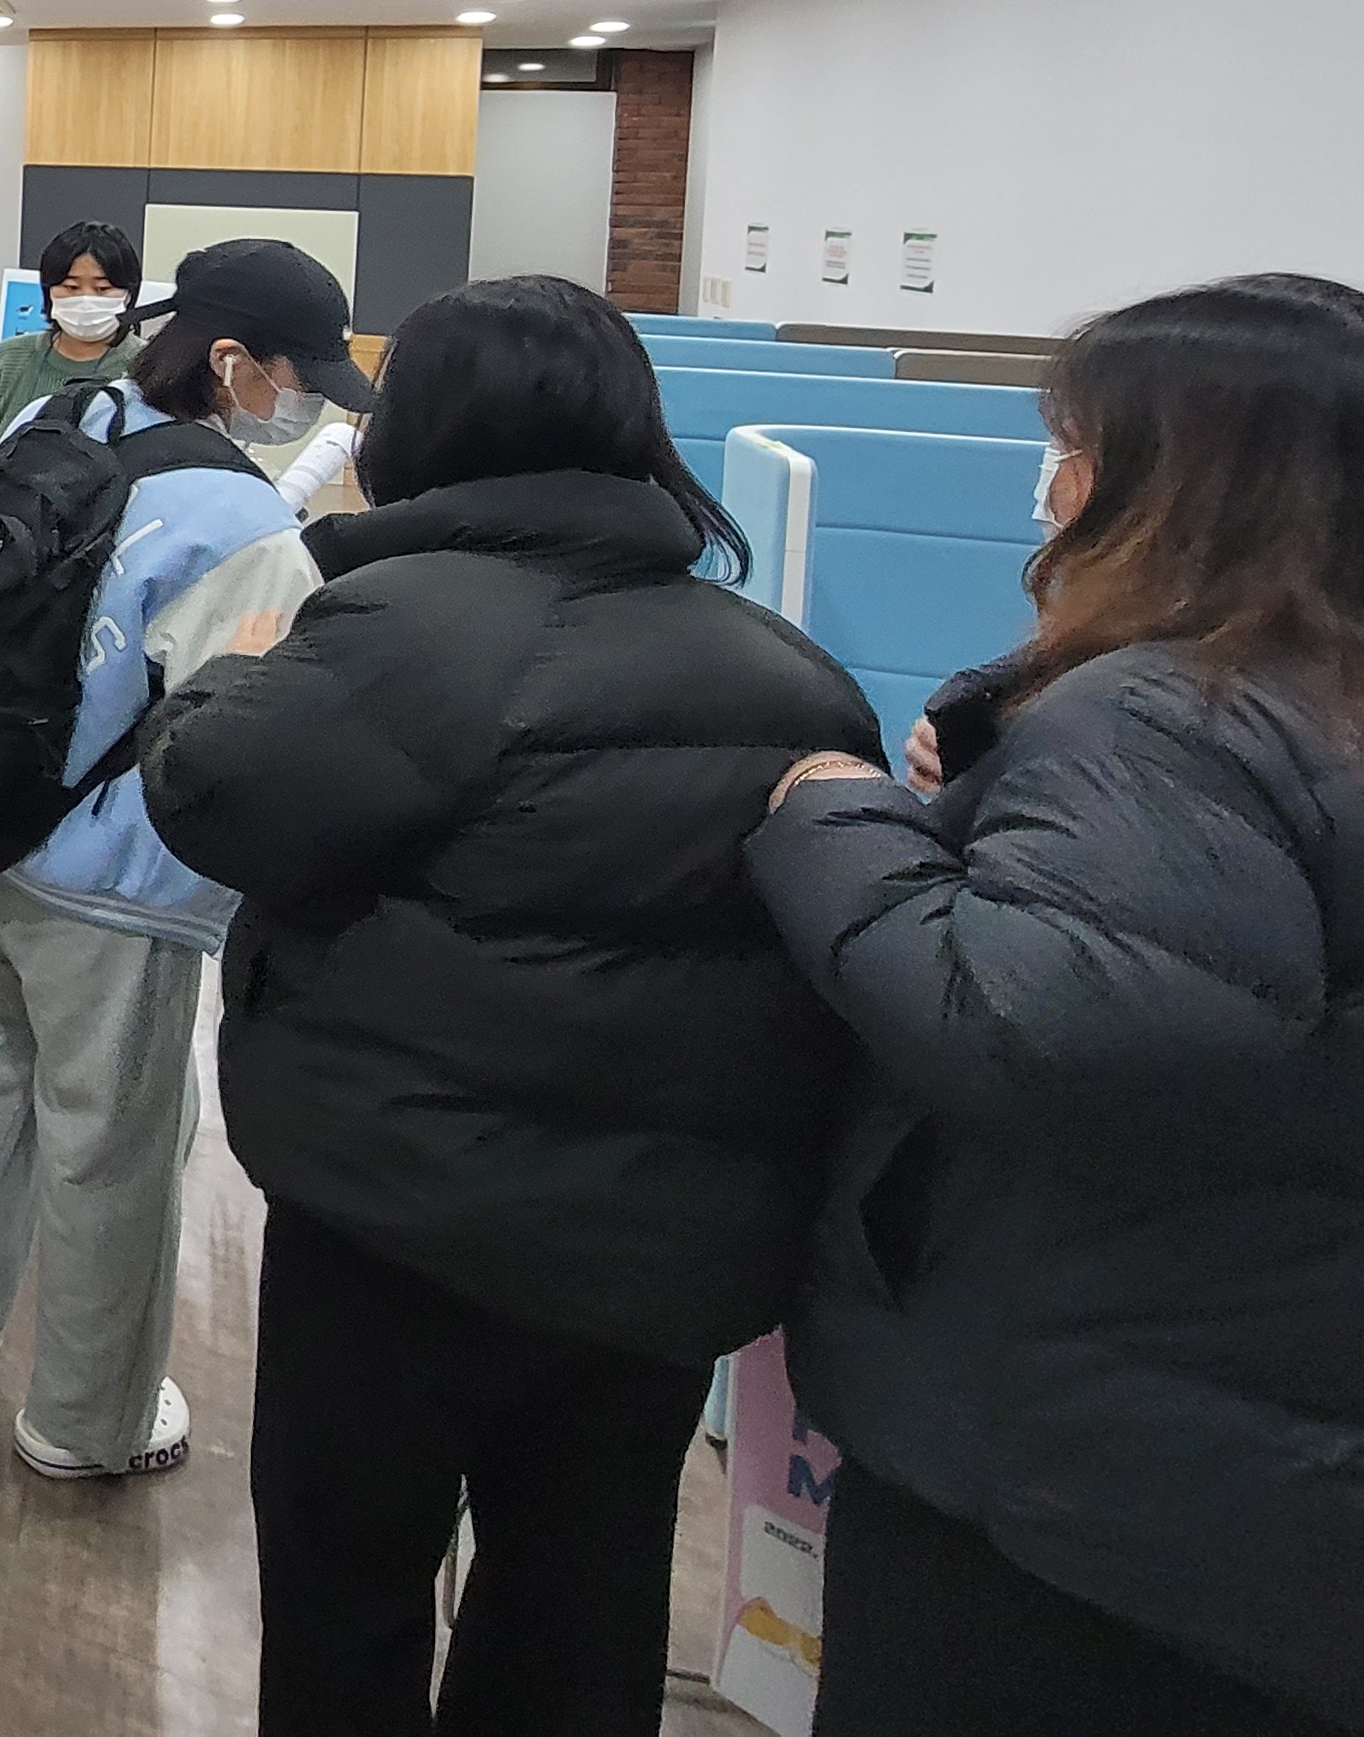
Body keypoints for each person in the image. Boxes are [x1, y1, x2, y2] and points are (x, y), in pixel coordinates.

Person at [138, 275, 872, 1737]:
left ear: (421, 427)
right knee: (583, 1599)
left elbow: (212, 797)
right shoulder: (789, 671)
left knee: (348, 1588)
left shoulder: (399, 626)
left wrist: (225, 677)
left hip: (400, 1216)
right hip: (658, 1243)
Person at [749, 274, 1364, 1737]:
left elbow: (1044, 1032)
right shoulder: (1327, 706)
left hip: (1094, 1464)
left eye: (1077, 445)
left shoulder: (1172, 718)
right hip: (1287, 1433)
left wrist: (836, 817)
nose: (1054, 483)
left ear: (1179, 482)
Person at [0, 238, 364, 1480]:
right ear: (230, 360)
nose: (303, 403)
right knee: (110, 1146)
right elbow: (239, 742)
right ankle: (86, 1423)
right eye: (295, 376)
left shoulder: (59, 418)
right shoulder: (245, 522)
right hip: (119, 886)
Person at [0, 220, 142, 452]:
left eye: (102, 289)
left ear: (129, 293)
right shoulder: (5, 361)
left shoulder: (146, 367)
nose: (86, 300)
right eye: (71, 287)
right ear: (49, 291)